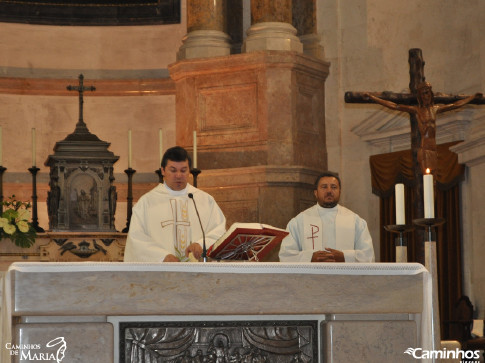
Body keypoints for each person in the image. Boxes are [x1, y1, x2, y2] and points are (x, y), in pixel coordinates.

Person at [124, 146, 226, 262]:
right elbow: (136, 238)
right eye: (173, 170)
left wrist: (201, 245)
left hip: (196, 273)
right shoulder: (147, 202)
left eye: (183, 170)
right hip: (161, 274)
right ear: (163, 171)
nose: (178, 175)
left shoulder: (205, 200)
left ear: (189, 171)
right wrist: (161, 256)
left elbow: (220, 232)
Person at [365, 82, 481, 173]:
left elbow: (455, 105)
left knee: (434, 180)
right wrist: (374, 98)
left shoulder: (435, 109)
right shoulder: (417, 110)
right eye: (424, 93)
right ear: (420, 96)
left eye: (428, 92)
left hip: (434, 148)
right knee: (428, 178)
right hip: (425, 149)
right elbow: (395, 106)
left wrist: (472, 97)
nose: (427, 95)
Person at [279, 171, 374, 262]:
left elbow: (368, 256)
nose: (329, 191)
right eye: (324, 187)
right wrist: (310, 258)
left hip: (344, 277)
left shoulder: (355, 221)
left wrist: (345, 257)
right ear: (315, 193)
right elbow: (286, 255)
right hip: (311, 278)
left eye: (334, 187)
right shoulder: (298, 222)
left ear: (340, 192)